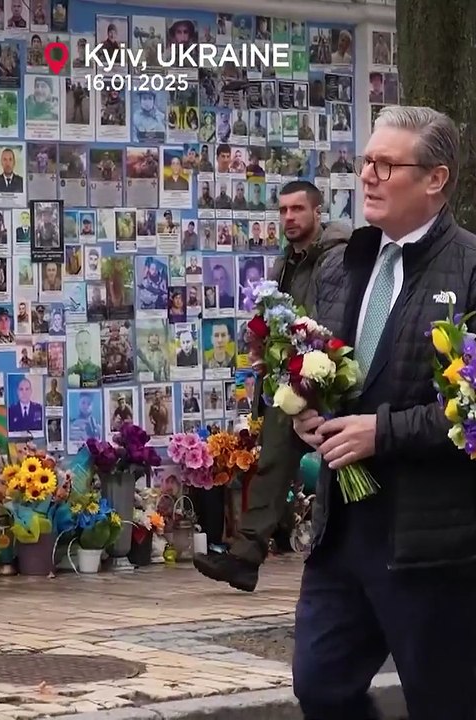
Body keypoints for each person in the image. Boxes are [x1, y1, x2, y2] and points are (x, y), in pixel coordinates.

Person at [288, 106, 476, 720]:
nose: (368, 176)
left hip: (433, 536)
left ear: (435, 179)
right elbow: (324, 362)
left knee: (441, 703)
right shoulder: (340, 264)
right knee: (319, 686)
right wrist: (307, 409)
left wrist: (384, 433)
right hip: (343, 527)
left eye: (386, 165)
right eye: (365, 162)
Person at [193, 180, 350, 592]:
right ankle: (244, 559)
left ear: (318, 212)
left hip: (333, 374)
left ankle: (352, 553)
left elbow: (335, 314)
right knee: (273, 461)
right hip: (292, 376)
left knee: (347, 463)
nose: (289, 218)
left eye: (297, 209)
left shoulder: (336, 257)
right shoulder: (286, 261)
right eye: (283, 210)